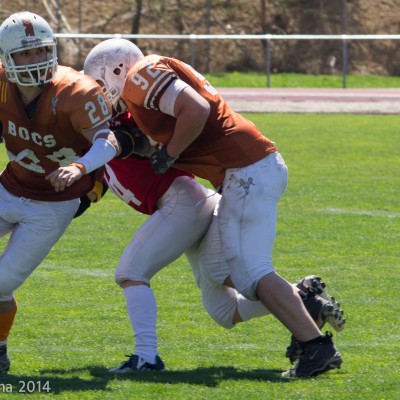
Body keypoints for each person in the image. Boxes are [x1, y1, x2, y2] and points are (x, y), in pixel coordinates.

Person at [84, 38, 343, 378]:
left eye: (102, 83)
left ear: (116, 69)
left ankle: (316, 347)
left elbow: (196, 109)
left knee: (251, 273)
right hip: (242, 172)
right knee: (224, 306)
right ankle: (304, 304)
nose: (103, 93)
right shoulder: (142, 90)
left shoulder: (138, 77)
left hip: (245, 169)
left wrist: (170, 152)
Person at [0, 12, 122, 373]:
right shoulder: (2, 86)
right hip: (9, 187)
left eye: (40, 51)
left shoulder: (77, 91)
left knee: (2, 283)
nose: (34, 60)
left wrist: (80, 166)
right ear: (7, 57)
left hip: (52, 205)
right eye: (24, 54)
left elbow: (109, 141)